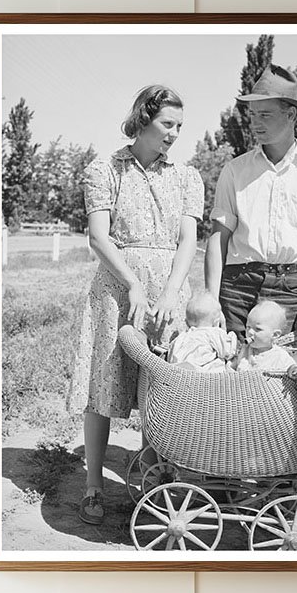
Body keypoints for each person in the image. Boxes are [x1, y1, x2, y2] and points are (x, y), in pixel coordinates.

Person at [66, 85, 204, 525]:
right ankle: (93, 488)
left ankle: (153, 484)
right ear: (143, 119)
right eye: (167, 123)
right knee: (103, 389)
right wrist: (133, 285)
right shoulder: (105, 169)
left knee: (160, 390)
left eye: (180, 126)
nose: (174, 134)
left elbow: (188, 242)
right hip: (115, 290)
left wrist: (167, 293)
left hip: (167, 295)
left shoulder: (187, 177)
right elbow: (98, 237)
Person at [205, 64, 297, 347]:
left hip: (292, 289)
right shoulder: (234, 171)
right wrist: (211, 300)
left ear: (291, 114)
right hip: (236, 288)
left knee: (282, 376)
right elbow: (218, 239)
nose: (256, 123)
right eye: (253, 114)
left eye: (265, 115)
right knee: (229, 372)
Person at [166, 290, 238, 373]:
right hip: (206, 377)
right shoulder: (213, 333)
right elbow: (229, 350)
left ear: (186, 322)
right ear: (216, 322)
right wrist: (230, 336)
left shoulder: (180, 338)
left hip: (180, 376)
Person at [231, 300, 296, 373]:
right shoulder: (244, 349)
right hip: (243, 383)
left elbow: (293, 371)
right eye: (248, 327)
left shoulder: (280, 356)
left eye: (258, 329)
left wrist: (294, 372)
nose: (250, 332)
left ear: (275, 335)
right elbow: (232, 367)